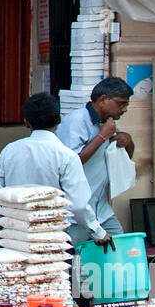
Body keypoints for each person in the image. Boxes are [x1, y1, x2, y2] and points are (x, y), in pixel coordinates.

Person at [0, 93, 115, 248]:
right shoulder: (66, 156)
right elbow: (79, 204)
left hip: (15, 234)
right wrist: (98, 231)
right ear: (59, 120)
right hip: (53, 235)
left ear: (26, 122)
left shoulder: (10, 150)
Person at [56, 77, 135, 242]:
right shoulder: (76, 121)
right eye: (121, 104)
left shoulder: (107, 123)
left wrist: (127, 140)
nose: (125, 109)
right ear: (103, 100)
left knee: (119, 251)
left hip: (102, 211)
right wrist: (101, 136)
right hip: (75, 214)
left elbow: (126, 158)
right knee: (77, 263)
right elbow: (71, 163)